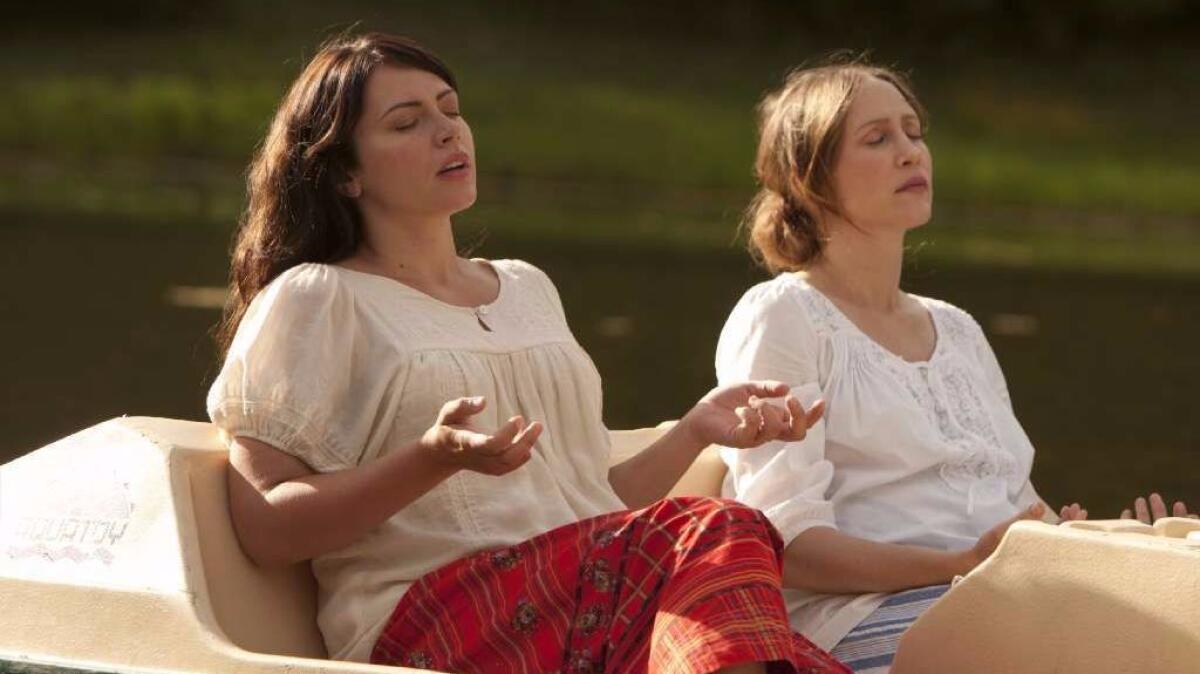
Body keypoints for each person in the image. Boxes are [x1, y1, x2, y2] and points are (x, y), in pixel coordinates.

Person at [207, 32, 850, 674]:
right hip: (436, 622)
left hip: (572, 601)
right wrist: (430, 460)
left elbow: (582, 501)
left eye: (450, 109)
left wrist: (695, 430)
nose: (447, 132)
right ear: (345, 173)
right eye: (407, 122)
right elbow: (265, 528)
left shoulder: (525, 288)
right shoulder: (319, 298)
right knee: (721, 527)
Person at [713, 60, 1186, 674]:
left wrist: (1103, 543)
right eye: (877, 138)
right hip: (864, 618)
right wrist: (964, 563)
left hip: (1006, 594)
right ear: (810, 178)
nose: (911, 152)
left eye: (914, 131)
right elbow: (786, 546)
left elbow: (1015, 503)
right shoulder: (784, 316)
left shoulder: (958, 329)